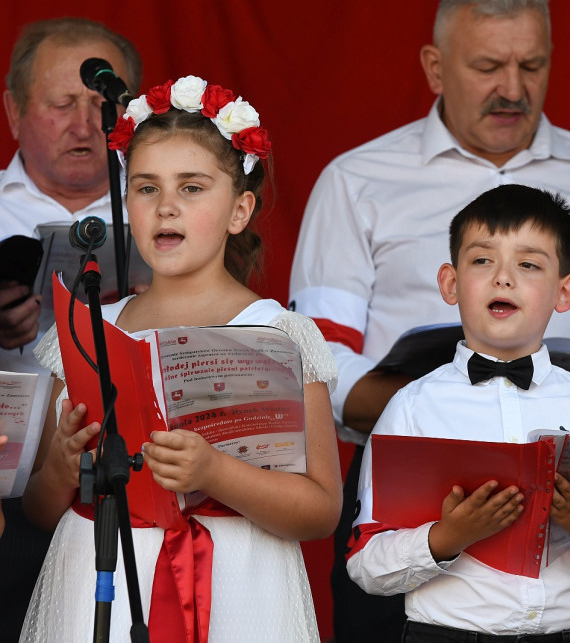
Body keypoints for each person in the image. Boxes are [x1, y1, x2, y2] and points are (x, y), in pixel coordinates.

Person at [288, 0, 570, 641]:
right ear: (436, 68)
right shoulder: (357, 180)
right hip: (413, 468)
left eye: (532, 65)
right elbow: (318, 356)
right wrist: (437, 410)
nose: (514, 89)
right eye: (489, 66)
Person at [17, 76, 342, 642]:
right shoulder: (90, 326)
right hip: (100, 576)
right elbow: (41, 511)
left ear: (239, 209)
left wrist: (216, 472)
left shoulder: (278, 333)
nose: (166, 206)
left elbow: (319, 512)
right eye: (146, 188)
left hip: (240, 584)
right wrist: (63, 468)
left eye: (192, 188)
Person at [348, 184, 570, 641]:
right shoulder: (412, 407)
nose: (503, 278)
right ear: (450, 284)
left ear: (565, 291)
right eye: (482, 260)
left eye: (529, 264)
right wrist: (448, 537)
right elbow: (366, 564)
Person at [0, 16, 141, 643]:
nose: (86, 125)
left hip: (136, 494)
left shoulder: (170, 206)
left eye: (104, 103)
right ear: (14, 111)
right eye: (63, 104)